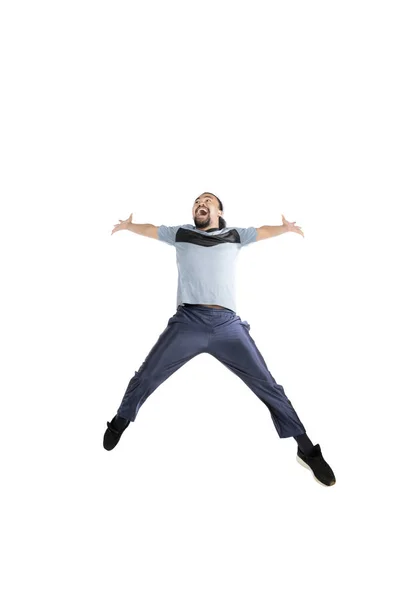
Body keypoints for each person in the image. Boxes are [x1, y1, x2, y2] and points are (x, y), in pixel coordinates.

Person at [103, 192, 336, 487]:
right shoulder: (180, 233)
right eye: (197, 201)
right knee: (146, 376)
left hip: (227, 326)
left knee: (268, 386)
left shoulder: (235, 235)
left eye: (207, 200)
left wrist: (285, 228)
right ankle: (121, 420)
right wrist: (128, 226)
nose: (200, 204)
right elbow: (151, 229)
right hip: (187, 322)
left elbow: (263, 231)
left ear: (219, 210)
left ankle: (306, 450)